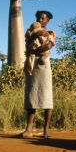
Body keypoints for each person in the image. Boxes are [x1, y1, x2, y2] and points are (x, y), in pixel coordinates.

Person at [21, 11, 56, 139]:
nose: (40, 20)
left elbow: (48, 46)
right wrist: (37, 35)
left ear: (47, 21)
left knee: (47, 96)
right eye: (38, 18)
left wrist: (35, 50)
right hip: (32, 65)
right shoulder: (30, 32)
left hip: (44, 65)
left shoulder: (51, 33)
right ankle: (29, 129)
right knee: (32, 95)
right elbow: (27, 48)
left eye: (43, 18)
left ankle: (46, 130)